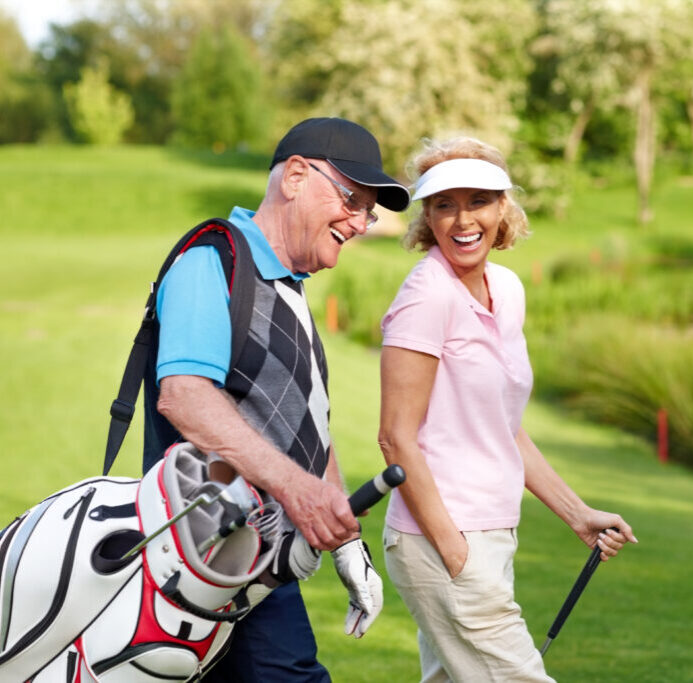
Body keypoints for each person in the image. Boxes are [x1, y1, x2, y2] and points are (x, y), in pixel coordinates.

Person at [149, 117, 410, 681]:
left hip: (253, 564)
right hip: (211, 555)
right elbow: (185, 398)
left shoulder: (285, 286)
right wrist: (300, 491)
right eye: (352, 199)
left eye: (370, 210)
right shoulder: (212, 262)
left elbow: (306, 425)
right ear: (294, 176)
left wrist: (346, 544)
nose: (362, 222)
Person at [377, 137, 639, 682]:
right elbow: (395, 439)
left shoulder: (507, 288)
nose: (461, 218)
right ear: (427, 217)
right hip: (442, 538)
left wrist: (577, 514)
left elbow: (504, 427)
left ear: (503, 210)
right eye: (444, 204)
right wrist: (454, 551)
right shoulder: (427, 297)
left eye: (478, 200)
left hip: (493, 534)